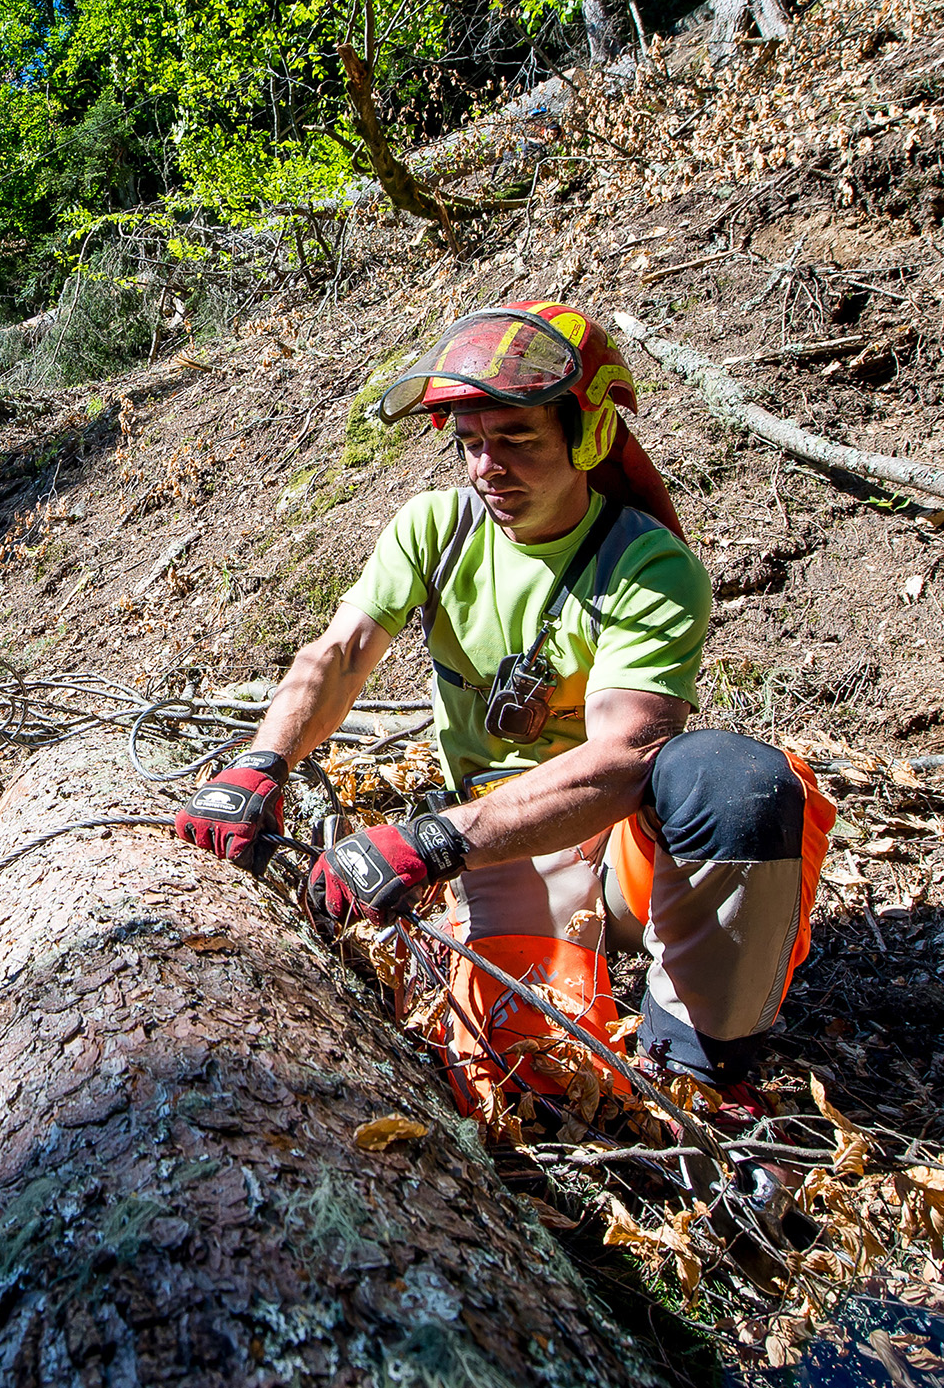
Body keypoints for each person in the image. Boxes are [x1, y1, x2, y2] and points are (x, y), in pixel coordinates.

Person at [176, 301, 833, 1118]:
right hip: (506, 841)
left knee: (738, 781)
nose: (490, 465)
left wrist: (431, 843)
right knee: (537, 1085)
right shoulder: (438, 529)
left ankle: (705, 1069)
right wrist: (260, 761)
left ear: (588, 435)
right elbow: (338, 655)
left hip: (619, 842)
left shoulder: (646, 564)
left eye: (518, 438)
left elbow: (625, 757)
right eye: (472, 442)